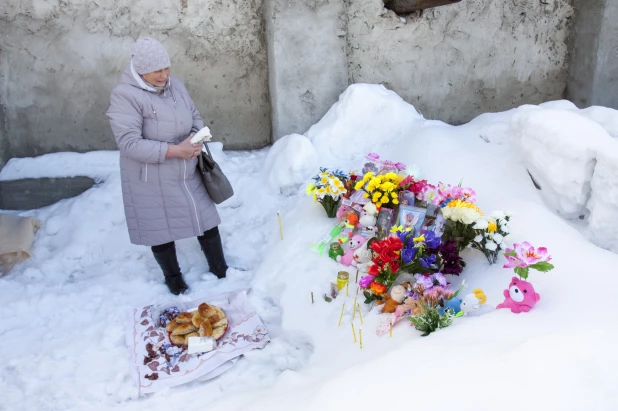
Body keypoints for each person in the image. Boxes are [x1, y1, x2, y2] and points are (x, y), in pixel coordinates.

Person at [106, 37, 228, 295]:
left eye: (166, 68)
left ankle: (221, 271)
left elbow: (195, 115)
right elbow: (129, 143)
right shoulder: (124, 96)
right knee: (159, 229)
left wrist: (195, 137)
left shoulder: (177, 86)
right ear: (140, 70)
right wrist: (176, 150)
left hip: (187, 168)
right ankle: (174, 279)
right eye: (156, 71)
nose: (164, 75)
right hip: (150, 176)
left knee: (205, 219)